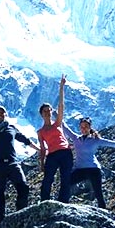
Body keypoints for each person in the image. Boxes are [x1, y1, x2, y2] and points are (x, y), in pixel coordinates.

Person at [62, 116, 115, 208]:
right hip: (80, 170)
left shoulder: (96, 141)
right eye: (82, 127)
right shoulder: (76, 138)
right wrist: (54, 113)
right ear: (79, 127)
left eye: (86, 126)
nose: (84, 129)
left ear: (90, 127)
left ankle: (104, 213)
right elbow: (64, 127)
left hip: (93, 169)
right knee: (66, 183)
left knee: (98, 193)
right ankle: (63, 205)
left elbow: (114, 143)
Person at [37, 75, 74, 203]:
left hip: (65, 152)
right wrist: (41, 163)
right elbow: (42, 149)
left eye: (49, 110)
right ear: (41, 114)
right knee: (48, 179)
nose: (48, 113)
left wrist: (61, 87)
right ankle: (44, 202)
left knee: (65, 178)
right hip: (52, 155)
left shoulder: (57, 123)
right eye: (45, 111)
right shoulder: (40, 132)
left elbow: (61, 106)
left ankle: (63, 203)